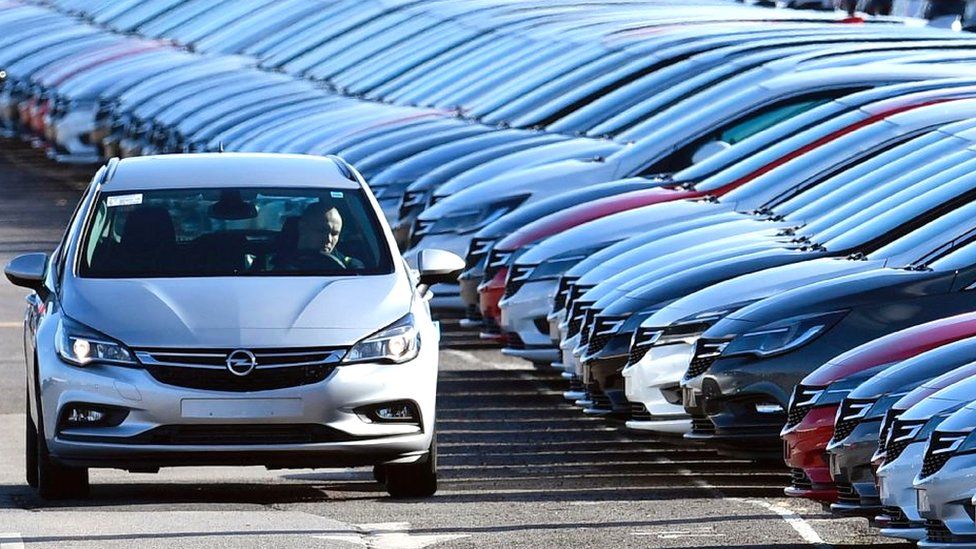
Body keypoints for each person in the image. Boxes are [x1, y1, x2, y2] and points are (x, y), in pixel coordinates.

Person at [277, 201, 363, 271]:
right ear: (302, 227)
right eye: (321, 231)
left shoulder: (350, 267)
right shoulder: (270, 264)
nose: (328, 239)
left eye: (334, 234)